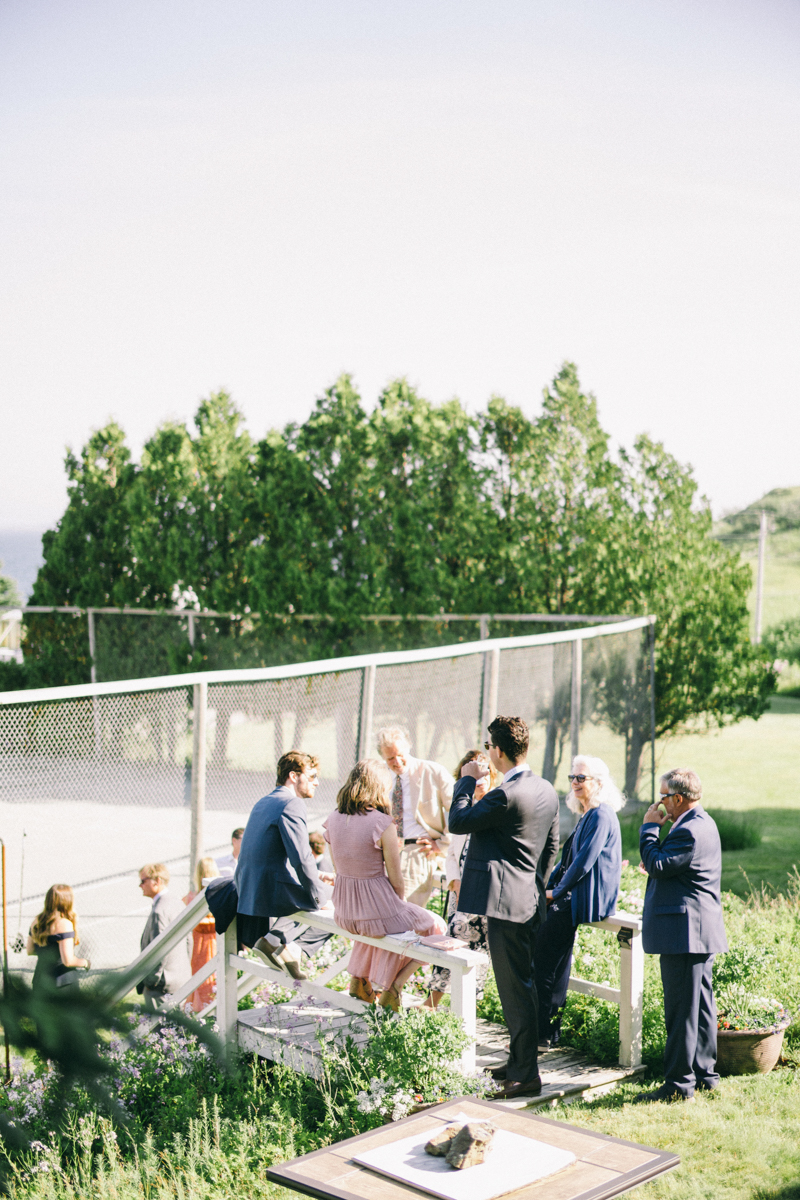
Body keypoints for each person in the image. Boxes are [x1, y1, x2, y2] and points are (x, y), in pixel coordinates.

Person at [449, 715, 559, 1101]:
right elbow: (552, 847)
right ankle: (517, 1061)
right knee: (522, 988)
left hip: (506, 907)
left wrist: (466, 779)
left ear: (496, 750)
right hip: (528, 902)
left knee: (515, 993)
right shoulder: (546, 789)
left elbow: (458, 821)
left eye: (488, 747)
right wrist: (535, 886)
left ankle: (526, 1074)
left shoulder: (505, 793)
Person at [634, 768, 728, 1103]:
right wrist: (659, 856)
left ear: (677, 798)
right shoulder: (704, 822)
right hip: (698, 931)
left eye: (662, 797)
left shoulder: (687, 829)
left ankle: (678, 1084)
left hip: (685, 933)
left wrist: (648, 829)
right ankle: (706, 1075)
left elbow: (657, 864)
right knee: (701, 1007)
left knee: (680, 1011)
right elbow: (671, 865)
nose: (659, 803)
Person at [323, 759, 446, 1010]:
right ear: (380, 786)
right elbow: (397, 880)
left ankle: (359, 978)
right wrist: (398, 904)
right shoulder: (382, 823)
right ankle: (394, 985)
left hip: (345, 912)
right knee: (437, 927)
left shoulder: (333, 818)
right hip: (376, 910)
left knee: (374, 928)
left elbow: (339, 867)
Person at [534, 755, 623, 1046]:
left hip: (585, 899)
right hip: (571, 897)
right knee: (553, 963)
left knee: (545, 960)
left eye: (581, 778)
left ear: (598, 783)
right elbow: (566, 861)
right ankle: (547, 1033)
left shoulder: (601, 815)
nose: (574, 783)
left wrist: (554, 894)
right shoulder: (588, 815)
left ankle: (542, 1033)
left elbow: (584, 863)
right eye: (572, 777)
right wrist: (547, 887)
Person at [235, 750, 327, 965]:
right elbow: (302, 859)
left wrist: (317, 879)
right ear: (294, 776)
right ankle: (296, 952)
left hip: (248, 887)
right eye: (312, 776)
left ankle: (277, 943)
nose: (317, 783)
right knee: (336, 899)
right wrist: (317, 896)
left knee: (320, 890)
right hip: (270, 889)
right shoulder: (292, 803)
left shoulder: (264, 801)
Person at [425, 749, 499, 1008]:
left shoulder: (495, 806)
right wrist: (454, 881)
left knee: (479, 950)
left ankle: (466, 1008)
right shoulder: (462, 810)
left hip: (483, 894)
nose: (479, 782)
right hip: (460, 892)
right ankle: (432, 1002)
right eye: (472, 777)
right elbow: (452, 853)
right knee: (450, 940)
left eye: (484, 774)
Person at [377, 726, 454, 909]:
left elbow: (457, 809)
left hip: (416, 852)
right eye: (390, 758)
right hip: (385, 852)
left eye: (400, 755)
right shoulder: (380, 777)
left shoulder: (432, 772)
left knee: (407, 915)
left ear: (408, 747)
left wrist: (443, 843)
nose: (396, 762)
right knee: (381, 913)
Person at [138, 863, 191, 1010]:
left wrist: (152, 980)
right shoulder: (177, 903)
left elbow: (160, 950)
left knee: (161, 1030)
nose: (140, 885)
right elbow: (189, 940)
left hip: (162, 986)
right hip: (180, 978)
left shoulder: (159, 911)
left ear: (157, 881)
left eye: (143, 881)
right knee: (178, 1029)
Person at [27, 883, 89, 991]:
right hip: (61, 982)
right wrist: (85, 963)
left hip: (40, 980)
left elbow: (30, 950)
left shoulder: (36, 921)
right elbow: (68, 961)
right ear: (67, 901)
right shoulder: (64, 924)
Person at [183, 856, 220, 1013]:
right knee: (215, 975)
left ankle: (196, 1008)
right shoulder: (220, 896)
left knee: (197, 975)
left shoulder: (192, 898)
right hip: (216, 941)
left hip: (198, 944)